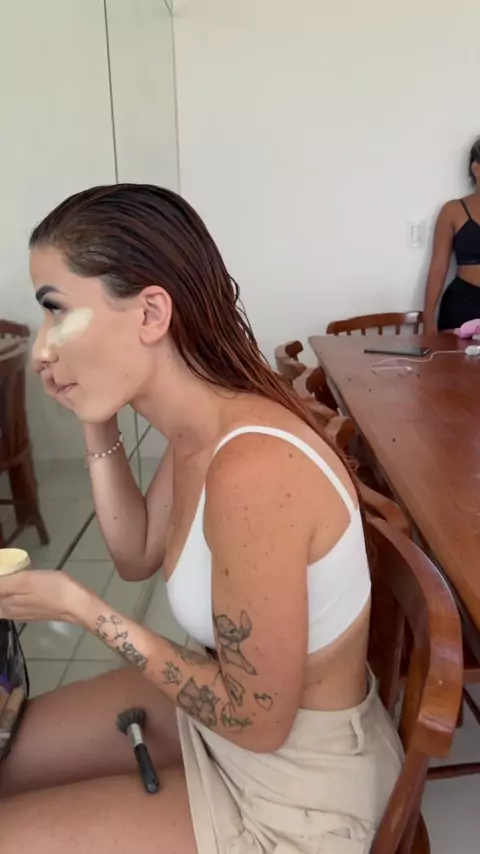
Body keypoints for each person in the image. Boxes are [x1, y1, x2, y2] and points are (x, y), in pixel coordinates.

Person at [0, 185, 402, 853]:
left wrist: (80, 608)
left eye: (56, 311)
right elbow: (135, 553)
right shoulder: (202, 426)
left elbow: (258, 722)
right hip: (227, 723)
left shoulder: (252, 469)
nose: (42, 350)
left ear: (151, 312)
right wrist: (95, 416)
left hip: (297, 792)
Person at [424, 137, 480, 333]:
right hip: (462, 305)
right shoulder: (453, 210)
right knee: (452, 355)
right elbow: (439, 266)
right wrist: (428, 318)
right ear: (476, 168)